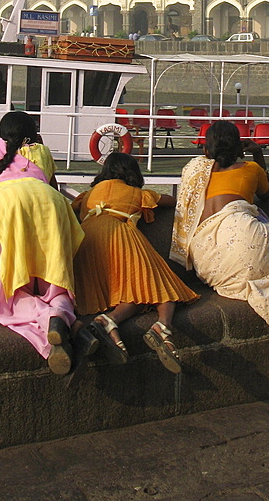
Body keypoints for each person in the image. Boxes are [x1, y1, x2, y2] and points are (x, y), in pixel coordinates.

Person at [170, 121, 269, 343]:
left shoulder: (194, 171)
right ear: (240, 148)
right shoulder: (250, 168)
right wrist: (257, 153)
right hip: (246, 239)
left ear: (206, 150)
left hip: (206, 262)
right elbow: (267, 193)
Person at [0, 111, 95, 375]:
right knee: (56, 286)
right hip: (50, 205)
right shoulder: (42, 151)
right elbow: (53, 185)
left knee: (9, 295)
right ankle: (67, 320)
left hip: (12, 208)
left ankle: (49, 318)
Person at [71, 151, 197, 372]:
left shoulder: (87, 195)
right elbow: (168, 201)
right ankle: (163, 327)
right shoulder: (136, 193)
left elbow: (70, 209)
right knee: (159, 283)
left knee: (124, 293)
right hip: (117, 234)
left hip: (84, 241)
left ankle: (108, 322)